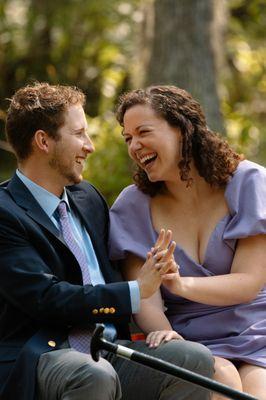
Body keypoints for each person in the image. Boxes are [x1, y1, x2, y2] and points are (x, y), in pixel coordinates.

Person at [0, 82, 214, 400]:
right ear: (43, 141)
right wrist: (136, 290)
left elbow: (111, 274)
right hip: (43, 355)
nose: (90, 146)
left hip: (108, 347)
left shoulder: (88, 199)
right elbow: (47, 298)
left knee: (194, 359)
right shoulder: (5, 212)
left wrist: (157, 287)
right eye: (79, 134)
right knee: (93, 375)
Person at [109, 85, 266, 400]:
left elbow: (249, 283)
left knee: (257, 389)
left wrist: (180, 285)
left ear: (182, 128)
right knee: (221, 381)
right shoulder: (132, 206)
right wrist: (172, 339)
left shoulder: (248, 183)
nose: (135, 146)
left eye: (143, 132)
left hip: (256, 332)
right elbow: (145, 299)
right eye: (128, 138)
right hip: (191, 340)